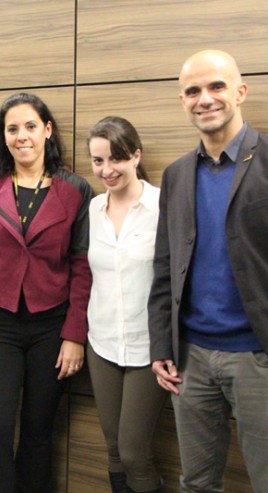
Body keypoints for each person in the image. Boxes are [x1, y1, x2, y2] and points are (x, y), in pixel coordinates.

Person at [148, 49, 268, 493]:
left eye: (216, 86)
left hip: (260, 357)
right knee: (197, 483)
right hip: (190, 360)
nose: (205, 99)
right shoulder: (178, 174)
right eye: (192, 90)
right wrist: (162, 343)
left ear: (240, 91)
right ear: (182, 100)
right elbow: (165, 266)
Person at [0, 92, 93, 493]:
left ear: (47, 130)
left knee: (38, 431)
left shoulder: (76, 190)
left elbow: (82, 268)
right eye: (12, 129)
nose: (21, 136)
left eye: (30, 126)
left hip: (52, 327)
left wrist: (74, 335)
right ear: (4, 136)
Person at [86, 117, 166, 493]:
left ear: (136, 156)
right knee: (114, 449)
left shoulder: (162, 205)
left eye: (116, 159)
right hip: (100, 343)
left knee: (134, 452)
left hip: (148, 348)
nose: (107, 170)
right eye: (98, 161)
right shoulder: (92, 210)